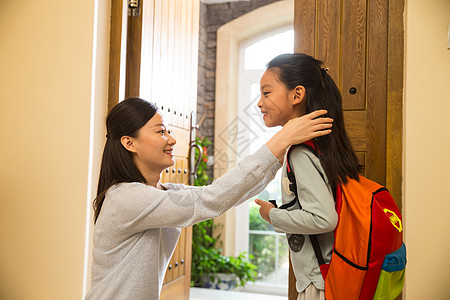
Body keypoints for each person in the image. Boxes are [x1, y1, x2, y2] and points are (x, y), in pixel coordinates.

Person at [85, 97, 333, 300]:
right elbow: (210, 200)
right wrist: (281, 139)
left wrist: (281, 153)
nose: (171, 139)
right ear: (130, 143)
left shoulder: (163, 192)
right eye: (161, 131)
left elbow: (222, 196)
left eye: (169, 131)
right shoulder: (126, 198)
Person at [255, 53, 360, 300]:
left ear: (297, 95)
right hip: (335, 273)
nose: (259, 103)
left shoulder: (300, 153)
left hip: (319, 283)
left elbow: (323, 218)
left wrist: (272, 215)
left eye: (266, 93)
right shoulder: (323, 144)